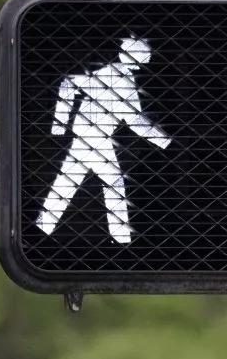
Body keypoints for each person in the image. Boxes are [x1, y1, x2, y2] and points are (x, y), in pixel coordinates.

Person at [35, 35, 171, 243]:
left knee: (69, 185)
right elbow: (135, 121)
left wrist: (60, 125)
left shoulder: (111, 74)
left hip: (91, 138)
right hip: (94, 139)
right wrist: (164, 141)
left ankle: (43, 229)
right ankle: (122, 240)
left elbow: (68, 83)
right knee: (112, 186)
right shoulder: (121, 80)